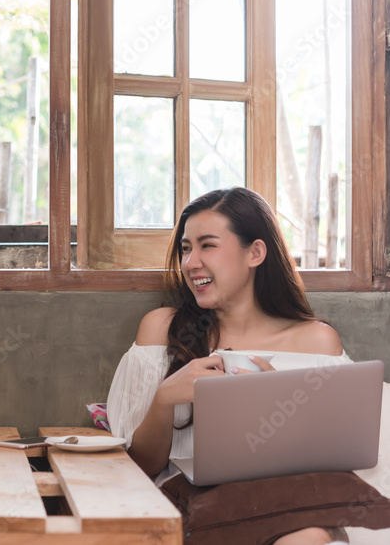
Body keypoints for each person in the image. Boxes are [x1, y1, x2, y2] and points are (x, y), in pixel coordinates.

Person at [107, 187, 352, 545]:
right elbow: (139, 468)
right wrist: (165, 399)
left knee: (311, 536)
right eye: (186, 248)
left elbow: (337, 462)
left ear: (255, 252)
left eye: (208, 245)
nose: (191, 263)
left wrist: (282, 412)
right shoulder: (162, 329)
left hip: (289, 499)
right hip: (192, 497)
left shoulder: (316, 342)